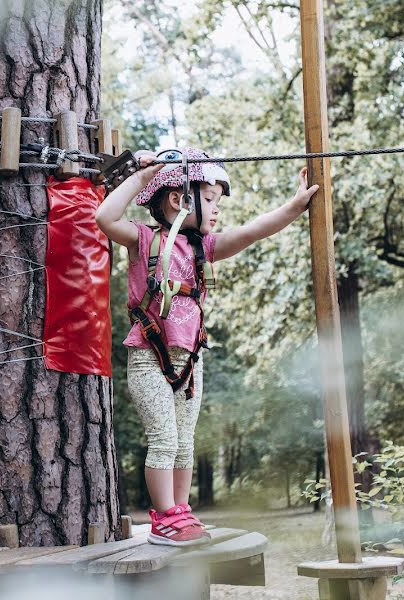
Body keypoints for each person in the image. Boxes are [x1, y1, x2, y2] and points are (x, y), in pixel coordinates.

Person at [95, 147, 318, 546]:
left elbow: (252, 231)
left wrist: (293, 207)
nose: (217, 210)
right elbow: (105, 217)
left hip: (191, 361)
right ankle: (165, 517)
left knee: (184, 442)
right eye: (210, 200)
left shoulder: (204, 248)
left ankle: (182, 512)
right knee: (163, 440)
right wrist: (143, 177)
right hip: (151, 356)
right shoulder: (143, 239)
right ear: (180, 200)